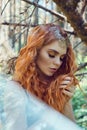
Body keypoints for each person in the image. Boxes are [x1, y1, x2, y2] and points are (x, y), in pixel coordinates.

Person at [13, 24, 78, 121]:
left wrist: (66, 102)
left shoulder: (58, 86)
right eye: (51, 55)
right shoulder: (15, 88)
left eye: (62, 58)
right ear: (35, 52)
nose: (58, 63)